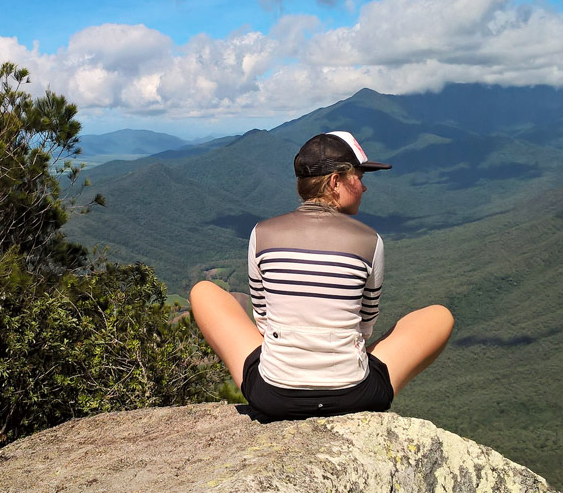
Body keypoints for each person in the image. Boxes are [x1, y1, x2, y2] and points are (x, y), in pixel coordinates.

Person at [190, 131, 453, 420]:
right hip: (354, 395)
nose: (364, 188)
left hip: (273, 396)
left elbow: (263, 320)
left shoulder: (261, 234)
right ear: (335, 181)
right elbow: (365, 328)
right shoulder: (370, 240)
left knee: (203, 291)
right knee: (440, 315)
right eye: (360, 177)